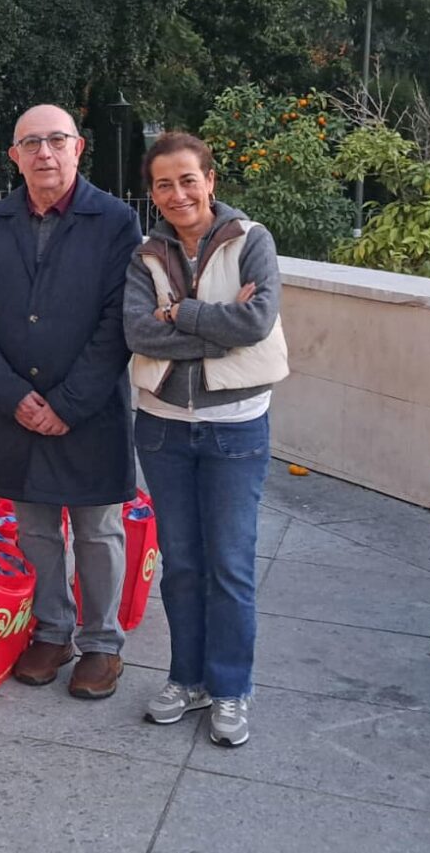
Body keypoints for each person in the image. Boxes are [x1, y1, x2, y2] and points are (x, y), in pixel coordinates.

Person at [0, 104, 142, 698]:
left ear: (78, 148)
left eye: (57, 140)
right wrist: (15, 397)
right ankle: (52, 630)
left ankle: (102, 643)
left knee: (97, 530)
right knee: (34, 528)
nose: (45, 153)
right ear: (15, 157)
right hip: (16, 411)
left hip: (90, 410)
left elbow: (119, 321)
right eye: (31, 143)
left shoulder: (115, 221)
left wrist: (67, 404)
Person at [124, 131, 286, 747]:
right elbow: (137, 333)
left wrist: (179, 314)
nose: (178, 194)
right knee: (182, 565)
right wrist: (217, 329)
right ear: (153, 193)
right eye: (163, 184)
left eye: (188, 179)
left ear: (210, 180)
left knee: (230, 566)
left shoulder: (251, 240)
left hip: (235, 427)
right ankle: (186, 679)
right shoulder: (145, 255)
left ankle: (230, 688)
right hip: (162, 426)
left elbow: (256, 321)